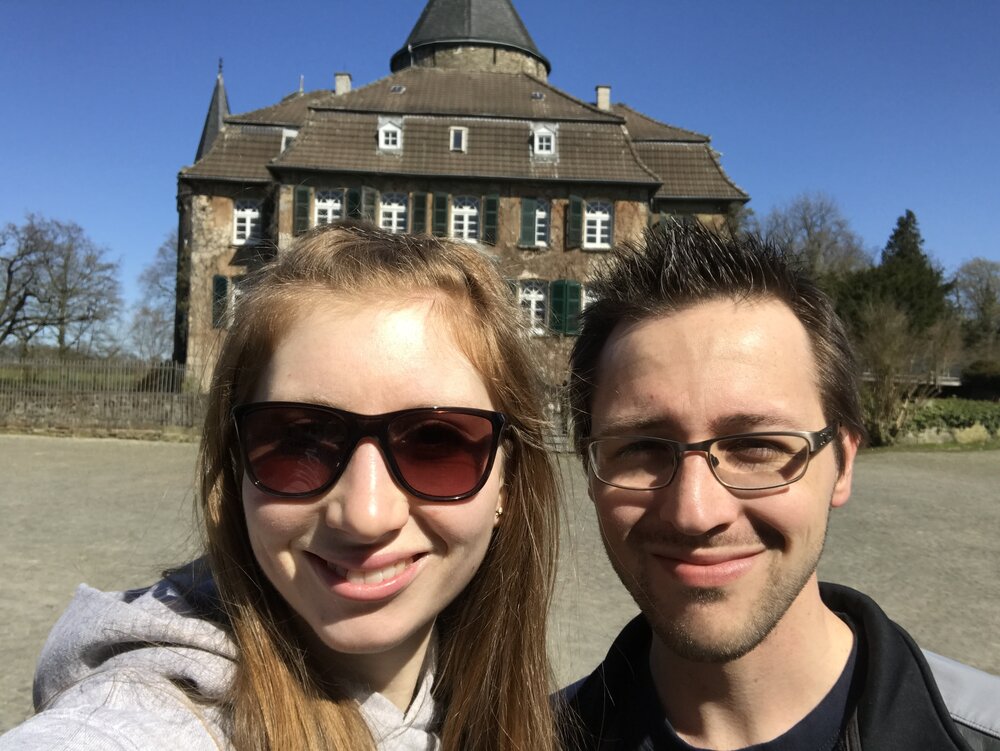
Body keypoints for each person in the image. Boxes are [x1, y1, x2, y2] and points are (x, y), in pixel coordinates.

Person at [2, 223, 562, 750]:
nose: (366, 515)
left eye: (436, 443)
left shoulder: (534, 713)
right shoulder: (146, 716)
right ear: (235, 465)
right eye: (298, 440)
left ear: (508, 479)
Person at [560, 223, 1000, 750]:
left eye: (757, 446)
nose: (694, 512)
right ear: (591, 472)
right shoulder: (524, 738)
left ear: (842, 463)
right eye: (640, 449)